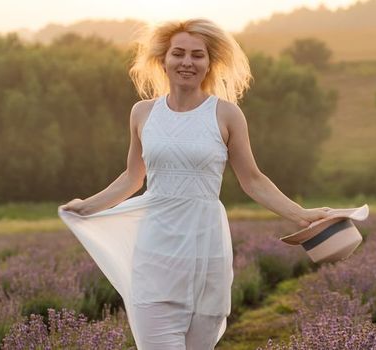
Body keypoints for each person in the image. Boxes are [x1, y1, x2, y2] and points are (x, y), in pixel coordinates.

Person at [57, 18, 332, 349]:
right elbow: (133, 177)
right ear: (164, 59)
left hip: (207, 253)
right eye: (179, 53)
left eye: (197, 55)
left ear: (210, 63)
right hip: (155, 252)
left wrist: (300, 215)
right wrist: (86, 205)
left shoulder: (226, 115)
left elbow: (253, 180)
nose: (187, 62)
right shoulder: (142, 113)